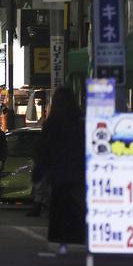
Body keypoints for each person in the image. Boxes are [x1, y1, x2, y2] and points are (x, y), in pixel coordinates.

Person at [34, 87, 85, 252]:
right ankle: (78, 237)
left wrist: (39, 173)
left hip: (58, 175)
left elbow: (44, 150)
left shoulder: (53, 124)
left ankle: (61, 239)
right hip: (78, 174)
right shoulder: (79, 121)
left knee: (59, 206)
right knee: (76, 206)